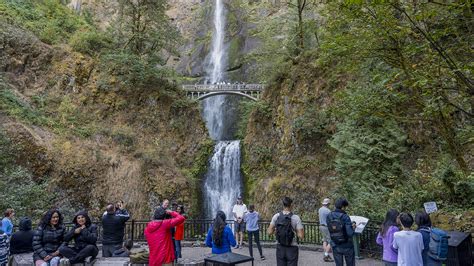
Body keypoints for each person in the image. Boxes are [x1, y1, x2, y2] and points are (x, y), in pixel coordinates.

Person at [267, 197, 304, 266]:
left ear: (283, 205)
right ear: (291, 205)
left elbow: (269, 232)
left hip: (280, 247)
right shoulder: (296, 218)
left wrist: (276, 230)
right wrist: (295, 230)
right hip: (292, 248)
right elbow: (301, 236)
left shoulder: (276, 216)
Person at [326, 198, 355, 266]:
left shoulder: (329, 216)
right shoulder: (345, 217)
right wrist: (353, 227)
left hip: (335, 244)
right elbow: (350, 233)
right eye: (345, 207)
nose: (345, 208)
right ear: (342, 207)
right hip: (347, 245)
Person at [318, 198, 334, 262]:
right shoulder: (328, 211)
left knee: (325, 240)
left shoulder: (320, 209)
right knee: (331, 241)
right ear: (328, 204)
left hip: (321, 226)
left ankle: (326, 254)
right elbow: (331, 220)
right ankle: (326, 255)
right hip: (326, 227)